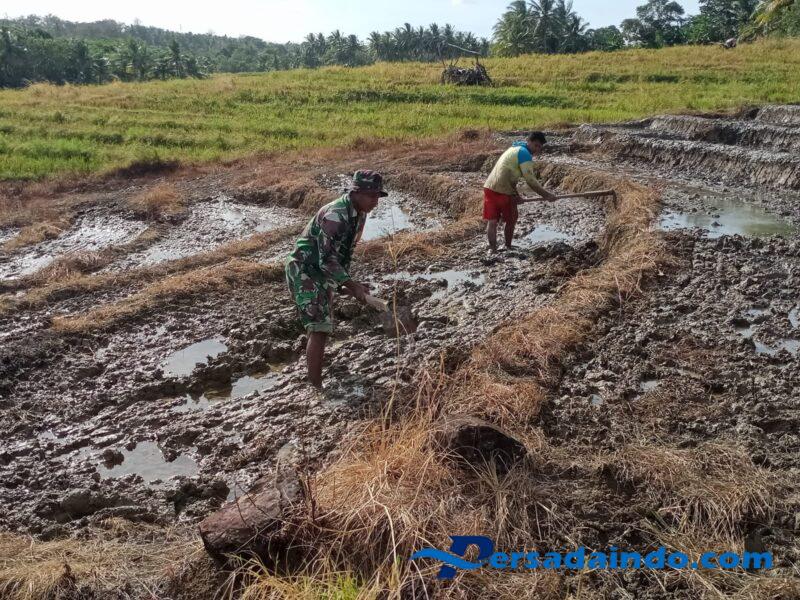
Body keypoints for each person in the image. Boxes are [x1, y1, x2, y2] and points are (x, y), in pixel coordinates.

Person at [285, 170, 386, 388]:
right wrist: (352, 285)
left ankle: (316, 370)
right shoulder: (335, 215)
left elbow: (344, 254)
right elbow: (326, 259)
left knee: (323, 321)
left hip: (322, 270)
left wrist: (346, 286)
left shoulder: (359, 214)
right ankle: (315, 388)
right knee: (319, 327)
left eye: (378, 196)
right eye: (371, 196)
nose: (375, 202)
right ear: (356, 192)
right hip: (305, 269)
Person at [483, 131, 557, 252]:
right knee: (511, 219)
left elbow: (508, 176)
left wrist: (516, 195)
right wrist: (547, 195)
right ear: (529, 141)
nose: (537, 149)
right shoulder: (524, 154)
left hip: (489, 187)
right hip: (504, 191)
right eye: (536, 145)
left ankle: (492, 249)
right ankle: (508, 246)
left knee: (492, 221)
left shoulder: (514, 148)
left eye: (539, 147)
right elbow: (530, 180)